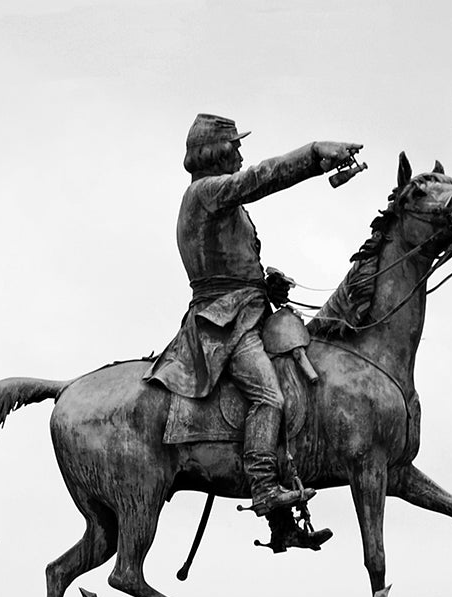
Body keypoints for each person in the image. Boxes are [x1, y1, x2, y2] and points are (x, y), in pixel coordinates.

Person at [147, 113, 362, 516]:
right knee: (270, 397)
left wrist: (266, 283)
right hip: (226, 323)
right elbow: (263, 177)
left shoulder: (218, 201)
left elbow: (229, 265)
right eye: (234, 145)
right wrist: (315, 155)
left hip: (248, 311)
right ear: (215, 151)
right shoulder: (206, 192)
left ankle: (283, 522)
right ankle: (263, 487)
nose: (241, 153)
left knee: (295, 389)